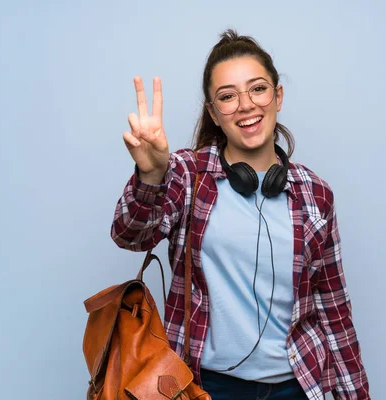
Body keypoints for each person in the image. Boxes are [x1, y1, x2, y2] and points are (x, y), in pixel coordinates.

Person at [111, 29, 370, 400]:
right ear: (214, 114)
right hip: (205, 386)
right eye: (227, 96)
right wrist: (152, 176)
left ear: (277, 96)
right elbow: (129, 236)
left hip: (298, 387)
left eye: (258, 89)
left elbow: (334, 311)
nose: (246, 105)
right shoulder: (188, 174)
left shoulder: (316, 195)